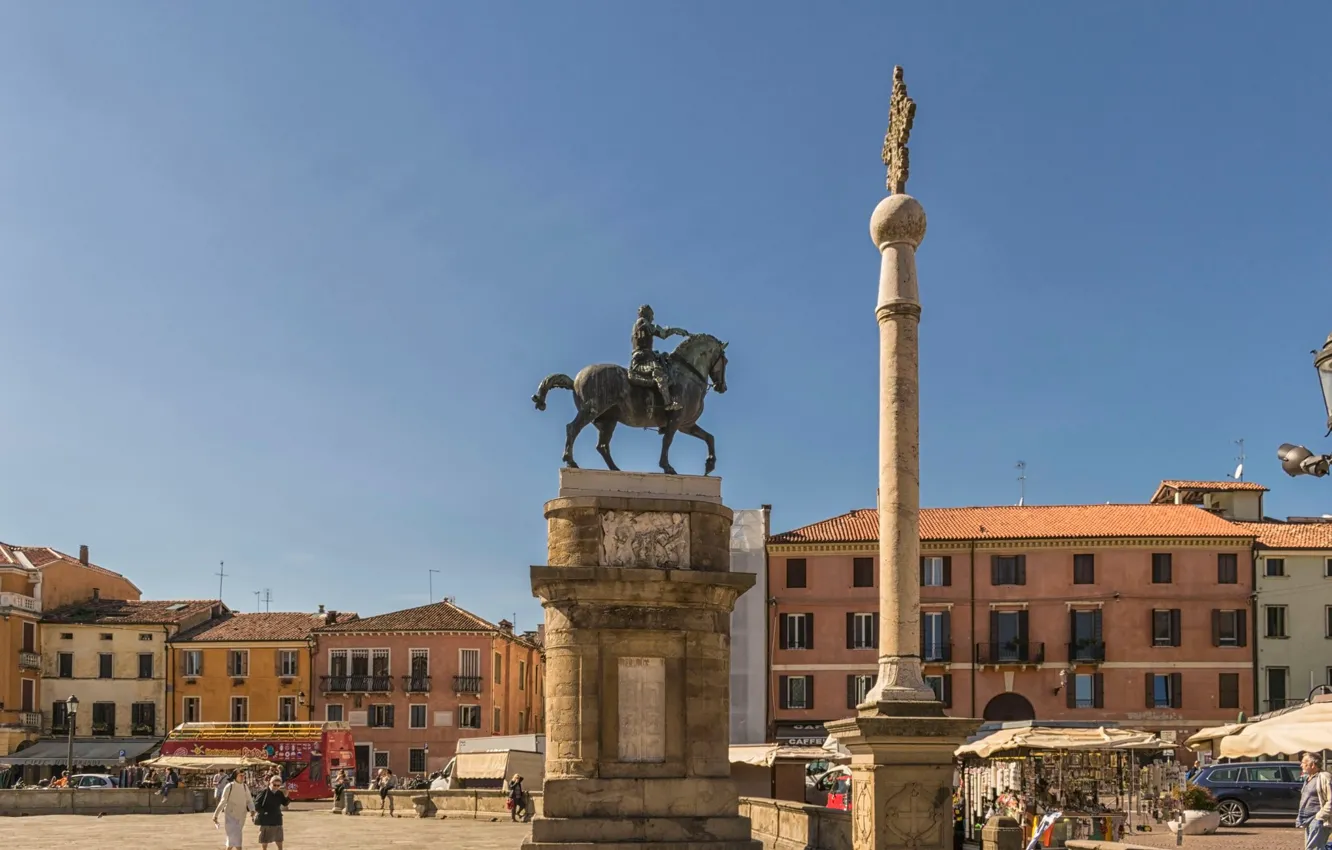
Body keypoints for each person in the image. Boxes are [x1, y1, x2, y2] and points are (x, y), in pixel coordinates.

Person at [628, 304, 689, 415]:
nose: (653, 318)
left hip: (646, 355)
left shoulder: (641, 323)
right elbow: (662, 333)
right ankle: (668, 403)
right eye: (652, 315)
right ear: (647, 314)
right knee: (659, 373)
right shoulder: (642, 322)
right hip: (643, 359)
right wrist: (676, 330)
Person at [213, 769, 256, 850]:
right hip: (230, 816)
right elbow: (223, 802)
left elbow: (249, 800)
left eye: (243, 776)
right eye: (240, 775)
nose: (242, 777)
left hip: (241, 815)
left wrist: (252, 810)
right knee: (236, 837)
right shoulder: (229, 786)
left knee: (233, 838)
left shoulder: (244, 786)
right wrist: (215, 815)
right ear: (235, 776)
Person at [1297, 752, 1332, 850]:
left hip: (1318, 820)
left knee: (1314, 848)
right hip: (1308, 819)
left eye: (1304, 762)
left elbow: (1331, 800)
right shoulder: (1308, 778)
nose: (1301, 765)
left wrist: (1319, 817)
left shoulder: (1324, 777)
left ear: (1312, 765)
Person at [253, 774, 290, 850]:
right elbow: (256, 804)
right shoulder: (264, 792)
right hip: (266, 819)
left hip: (277, 818)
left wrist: (287, 796)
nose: (276, 787)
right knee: (264, 838)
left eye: (278, 785)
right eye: (274, 785)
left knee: (279, 838)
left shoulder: (279, 793)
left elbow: (285, 803)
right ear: (270, 783)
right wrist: (264, 812)